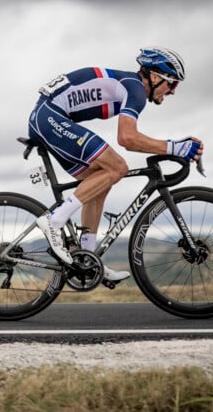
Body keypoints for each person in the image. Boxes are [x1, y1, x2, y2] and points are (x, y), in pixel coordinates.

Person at [28, 47, 203, 281]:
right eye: (172, 84)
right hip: (49, 117)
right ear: (154, 76)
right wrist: (175, 147)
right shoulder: (136, 89)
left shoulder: (130, 85)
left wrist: (172, 146)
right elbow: (127, 138)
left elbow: (129, 138)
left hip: (47, 117)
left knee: (102, 180)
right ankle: (53, 220)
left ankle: (86, 259)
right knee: (117, 167)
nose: (172, 91)